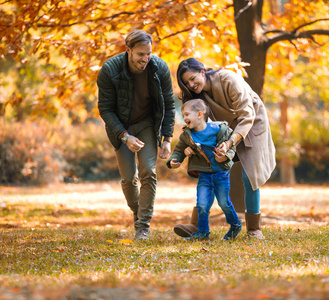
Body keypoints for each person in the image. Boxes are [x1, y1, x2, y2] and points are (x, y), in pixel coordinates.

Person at [174, 58, 276, 239]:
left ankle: (254, 228)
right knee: (211, 171)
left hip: (252, 124)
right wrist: (189, 148)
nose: (191, 84)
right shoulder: (197, 98)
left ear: (202, 72)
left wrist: (229, 143)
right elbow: (198, 126)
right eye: (186, 83)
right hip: (224, 130)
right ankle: (196, 224)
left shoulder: (228, 79)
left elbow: (247, 114)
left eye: (193, 78)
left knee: (249, 175)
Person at [97, 29, 176, 240]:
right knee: (128, 179)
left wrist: (167, 138)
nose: (145, 59)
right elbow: (105, 109)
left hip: (146, 124)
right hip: (121, 127)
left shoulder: (159, 68)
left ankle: (143, 226)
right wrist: (124, 136)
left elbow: (169, 104)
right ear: (128, 50)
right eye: (141, 54)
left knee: (148, 172)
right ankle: (138, 213)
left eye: (149, 53)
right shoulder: (109, 70)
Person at [167, 99, 242, 240]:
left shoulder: (219, 130)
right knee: (202, 205)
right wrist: (174, 160)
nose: (185, 118)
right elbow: (179, 150)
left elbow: (231, 149)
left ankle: (235, 225)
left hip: (221, 174)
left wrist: (225, 156)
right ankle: (202, 233)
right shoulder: (187, 135)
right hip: (204, 176)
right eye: (183, 115)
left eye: (187, 114)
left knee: (224, 203)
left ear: (200, 114)